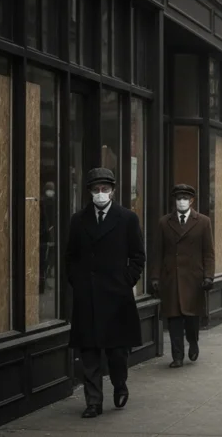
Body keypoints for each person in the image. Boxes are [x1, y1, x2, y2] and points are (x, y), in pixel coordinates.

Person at [67, 168, 145, 418]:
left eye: (104, 189)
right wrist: (78, 284)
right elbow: (71, 257)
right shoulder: (78, 220)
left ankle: (119, 383)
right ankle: (93, 402)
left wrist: (126, 281)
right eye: (96, 190)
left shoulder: (127, 218)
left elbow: (138, 257)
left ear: (112, 190)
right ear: (89, 192)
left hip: (116, 296)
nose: (100, 194)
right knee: (88, 352)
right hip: (87, 297)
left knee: (117, 352)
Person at [150, 184, 215, 368]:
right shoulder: (164, 222)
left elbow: (208, 252)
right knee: (174, 319)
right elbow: (158, 253)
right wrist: (155, 277)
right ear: (174, 201)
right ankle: (177, 355)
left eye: (185, 198)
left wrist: (208, 276)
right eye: (178, 198)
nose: (182, 202)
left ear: (192, 201)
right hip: (171, 278)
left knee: (192, 318)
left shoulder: (203, 222)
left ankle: (193, 342)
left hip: (194, 279)